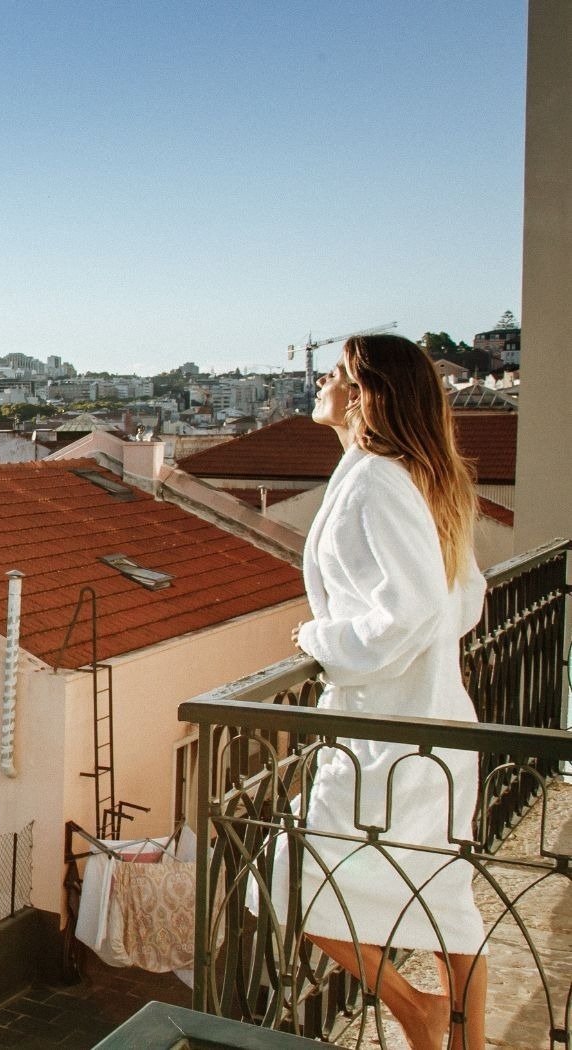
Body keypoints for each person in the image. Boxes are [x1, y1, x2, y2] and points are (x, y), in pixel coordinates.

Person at [281, 334, 488, 1050]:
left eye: (333, 376)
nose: (319, 385)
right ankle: (463, 1039)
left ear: (363, 396)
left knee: (290, 882)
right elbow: (465, 600)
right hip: (429, 721)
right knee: (442, 901)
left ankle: (417, 1011)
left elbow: (410, 611)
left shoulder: (375, 479)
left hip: (388, 736)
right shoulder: (415, 477)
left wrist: (320, 640)